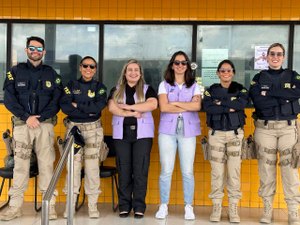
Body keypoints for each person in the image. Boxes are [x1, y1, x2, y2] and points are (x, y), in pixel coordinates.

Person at [0, 36, 62, 221]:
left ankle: (49, 207)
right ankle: (14, 207)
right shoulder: (15, 71)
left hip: (44, 126)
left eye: (39, 49)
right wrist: (27, 117)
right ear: (27, 50)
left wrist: (40, 118)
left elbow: (56, 100)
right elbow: (9, 99)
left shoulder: (52, 73)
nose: (35, 51)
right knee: (20, 166)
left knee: (46, 166)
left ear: (44, 52)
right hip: (22, 125)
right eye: (32, 48)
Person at [249, 43, 300, 225]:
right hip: (265, 129)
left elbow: (298, 91)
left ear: (284, 57)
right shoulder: (258, 77)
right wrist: (285, 96)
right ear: (266, 57)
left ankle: (293, 212)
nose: (275, 57)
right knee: (266, 171)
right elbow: (258, 100)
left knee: (290, 171)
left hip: (288, 128)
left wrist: (269, 92)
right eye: (272, 54)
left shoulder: (293, 75)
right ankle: (267, 210)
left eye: (279, 54)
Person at [108, 59, 157, 218]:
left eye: (136, 70)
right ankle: (124, 205)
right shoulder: (115, 89)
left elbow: (151, 105)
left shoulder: (148, 89)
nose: (133, 73)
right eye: (130, 70)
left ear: (140, 73)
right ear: (125, 72)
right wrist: (131, 113)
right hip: (121, 134)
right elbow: (112, 107)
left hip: (142, 135)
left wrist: (126, 106)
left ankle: (139, 206)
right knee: (124, 170)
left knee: (140, 170)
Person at [155, 51, 201, 220]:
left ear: (187, 65)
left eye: (183, 63)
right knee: (166, 170)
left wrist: (174, 102)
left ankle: (188, 206)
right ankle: (163, 205)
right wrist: (186, 105)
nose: (180, 66)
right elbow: (164, 108)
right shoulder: (164, 84)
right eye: (177, 63)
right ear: (172, 65)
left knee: (187, 171)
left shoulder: (194, 85)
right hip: (167, 132)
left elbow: (197, 107)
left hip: (188, 131)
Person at [60, 56, 107, 218]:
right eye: (85, 66)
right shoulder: (70, 86)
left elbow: (98, 106)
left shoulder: (100, 87)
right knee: (72, 168)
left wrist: (77, 104)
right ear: (80, 67)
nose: (88, 69)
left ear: (95, 69)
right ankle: (70, 206)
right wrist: (87, 109)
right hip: (74, 130)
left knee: (92, 169)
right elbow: (65, 106)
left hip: (94, 131)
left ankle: (92, 207)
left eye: (92, 67)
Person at [202, 59, 248, 223]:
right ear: (217, 73)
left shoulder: (240, 89)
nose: (225, 73)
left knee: (234, 173)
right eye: (222, 70)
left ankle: (233, 208)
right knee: (217, 173)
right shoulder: (210, 90)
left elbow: (243, 103)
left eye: (228, 70)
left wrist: (220, 102)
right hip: (216, 135)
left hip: (235, 134)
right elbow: (208, 107)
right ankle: (217, 207)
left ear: (233, 72)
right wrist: (230, 105)